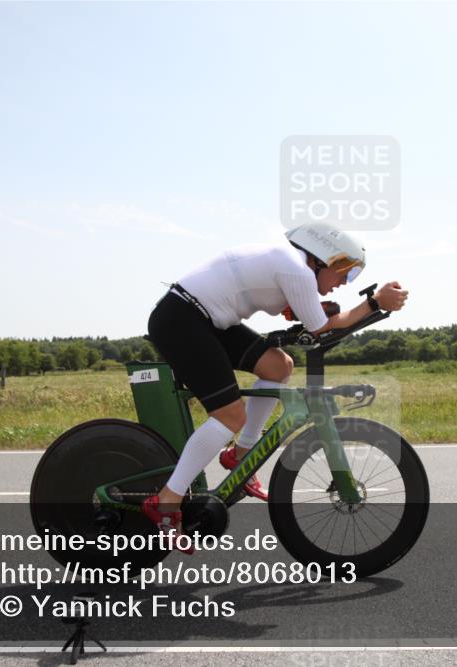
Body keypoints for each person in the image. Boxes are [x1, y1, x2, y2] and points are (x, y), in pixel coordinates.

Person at [141, 222, 409, 550]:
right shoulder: (295, 268)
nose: (342, 283)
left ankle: (241, 454)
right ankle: (166, 501)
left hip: (207, 319)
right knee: (230, 417)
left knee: (278, 365)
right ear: (323, 258)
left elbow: (310, 322)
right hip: (182, 319)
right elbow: (323, 329)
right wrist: (374, 302)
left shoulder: (293, 267)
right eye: (344, 272)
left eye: (350, 277)